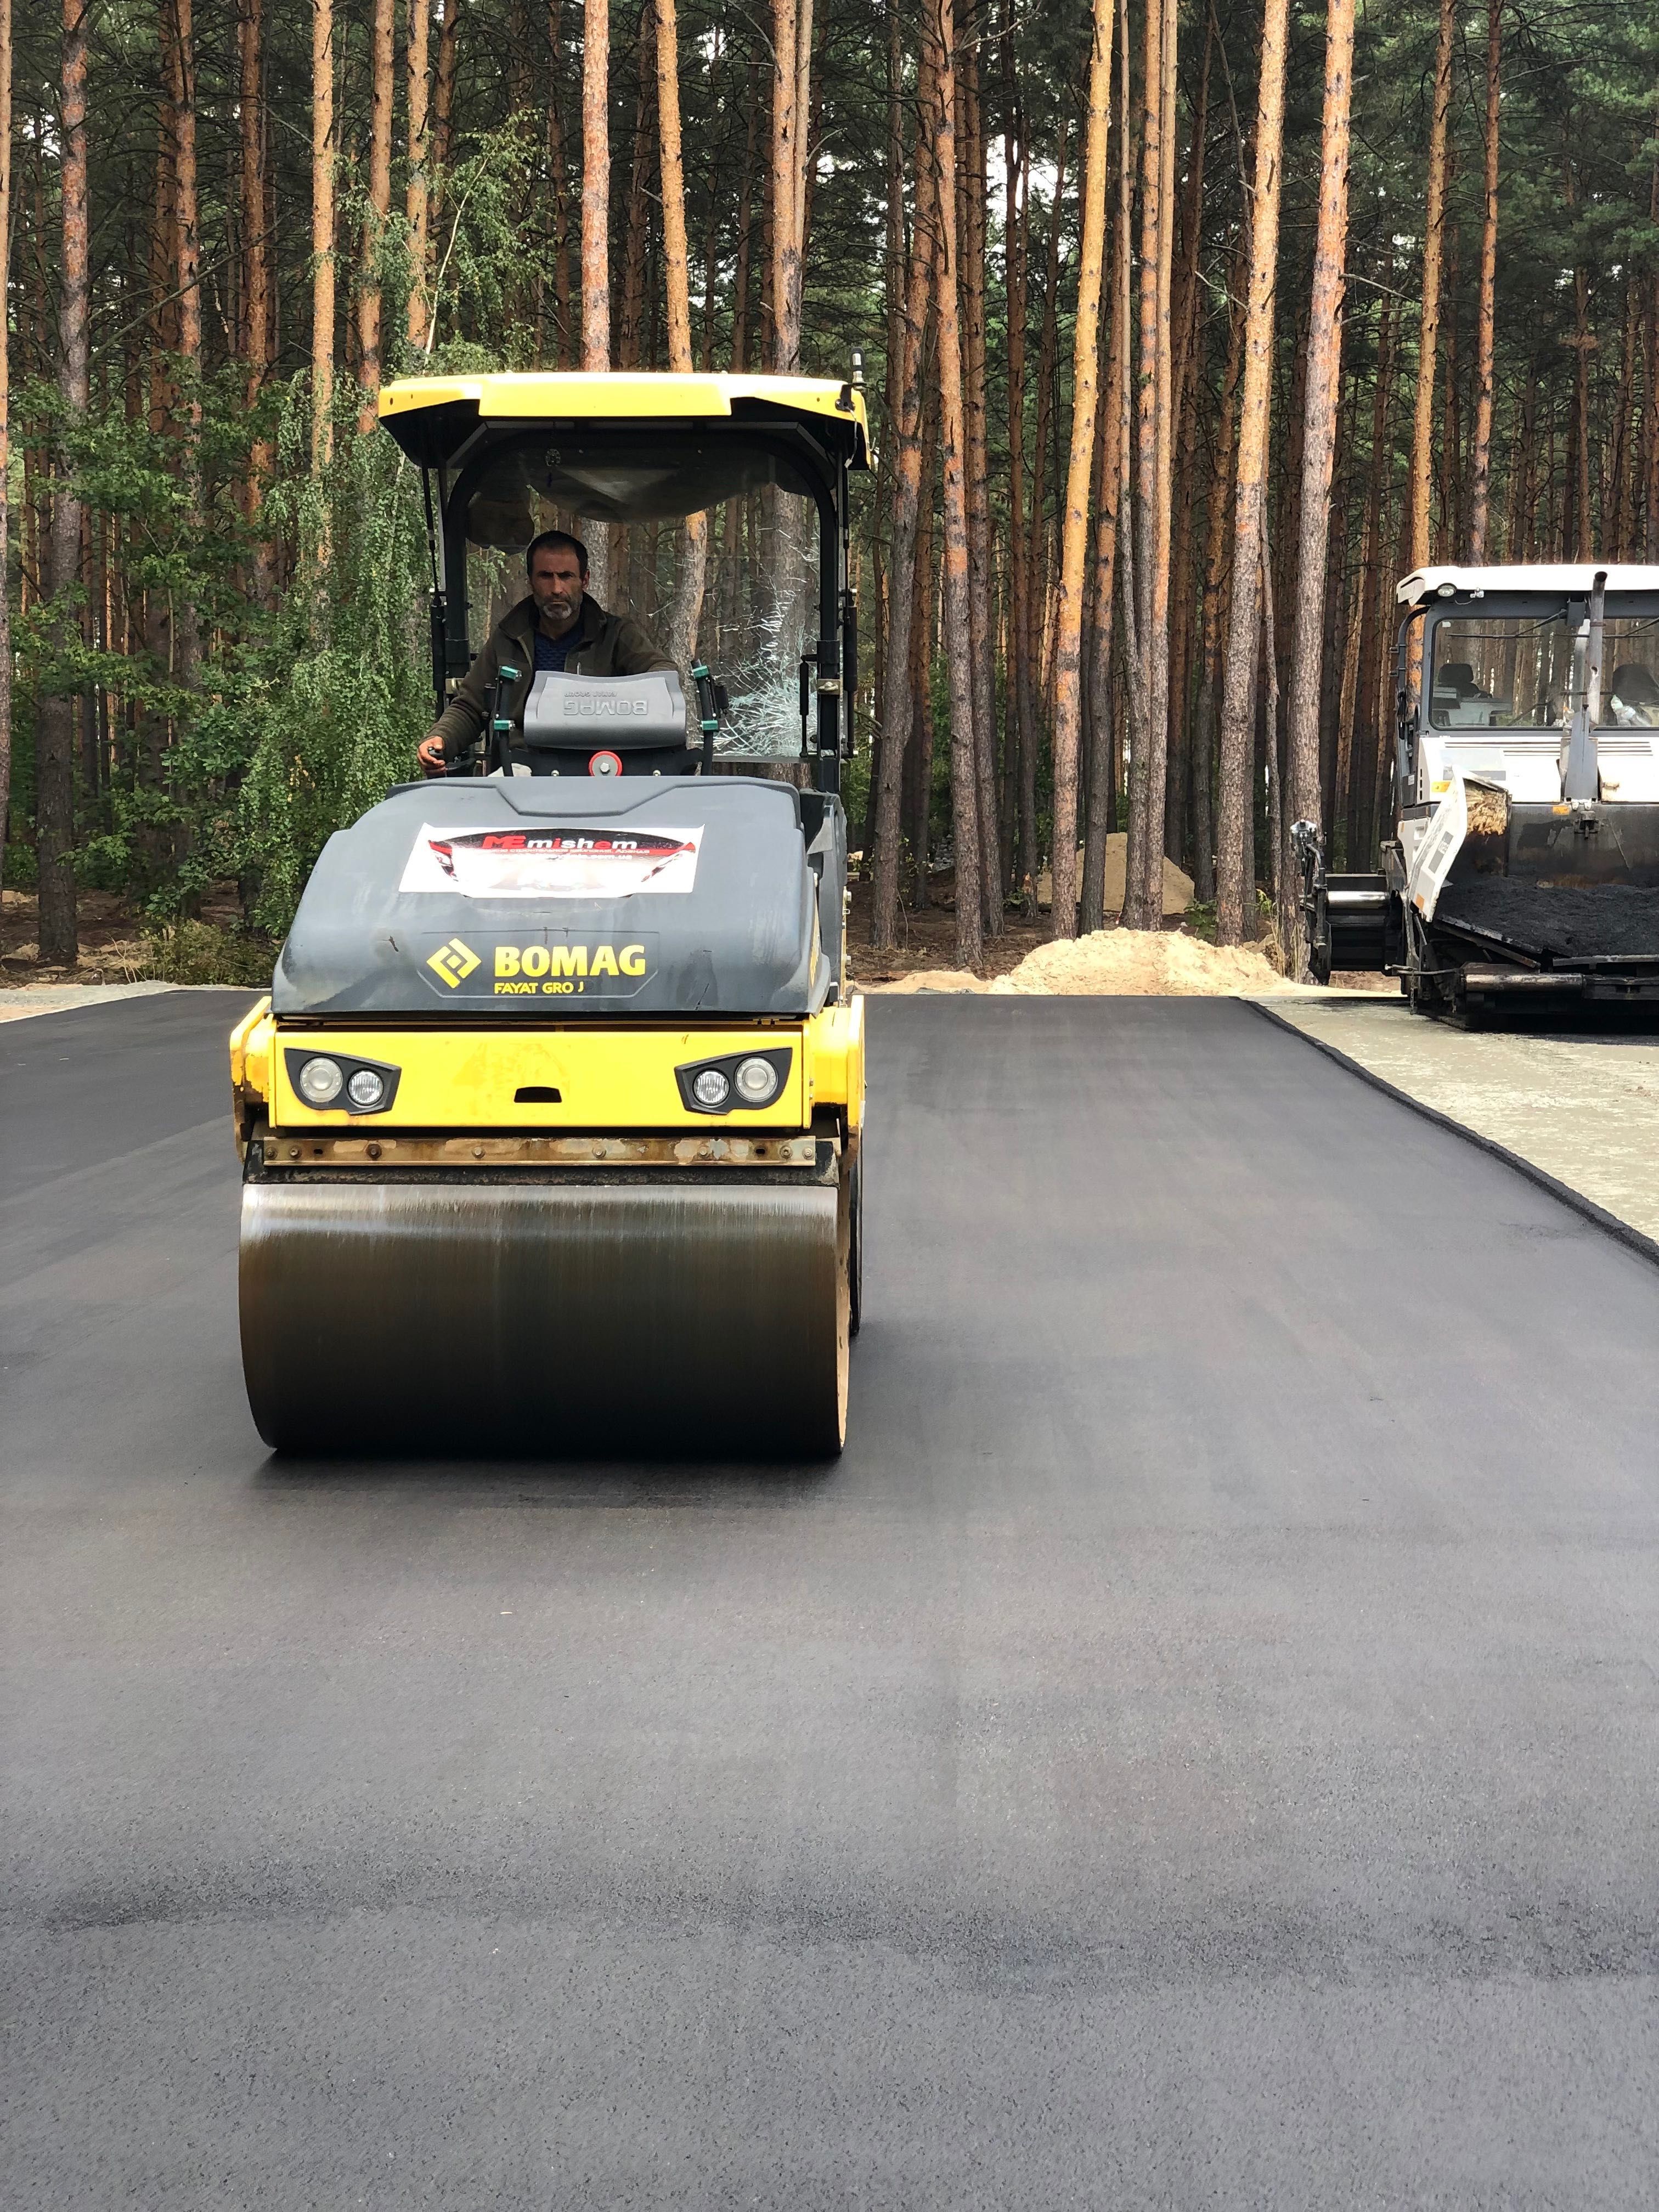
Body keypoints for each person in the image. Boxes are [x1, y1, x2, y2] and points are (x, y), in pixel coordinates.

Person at [417, 529, 675, 774]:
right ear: (530, 580)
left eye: (566, 576)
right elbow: (471, 706)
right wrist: (441, 739)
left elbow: (664, 676)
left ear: (584, 580)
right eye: (545, 576)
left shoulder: (616, 635)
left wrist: (611, 701)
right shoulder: (508, 638)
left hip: (598, 768)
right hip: (522, 767)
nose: (556, 589)